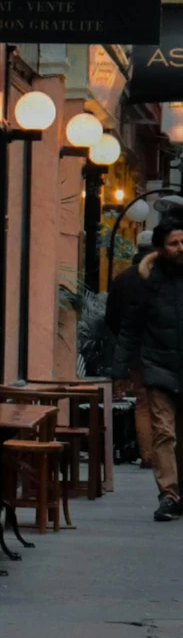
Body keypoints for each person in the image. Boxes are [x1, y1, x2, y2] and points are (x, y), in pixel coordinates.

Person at [114, 209, 183, 518]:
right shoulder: (146, 283)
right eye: (174, 243)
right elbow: (130, 327)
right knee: (164, 432)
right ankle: (168, 494)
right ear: (160, 249)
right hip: (158, 368)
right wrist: (119, 370)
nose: (181, 248)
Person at [107, 229, 155, 467]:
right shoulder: (162, 276)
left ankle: (148, 456)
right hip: (164, 350)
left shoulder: (123, 278)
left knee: (143, 403)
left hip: (135, 351)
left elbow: (111, 317)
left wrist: (124, 344)